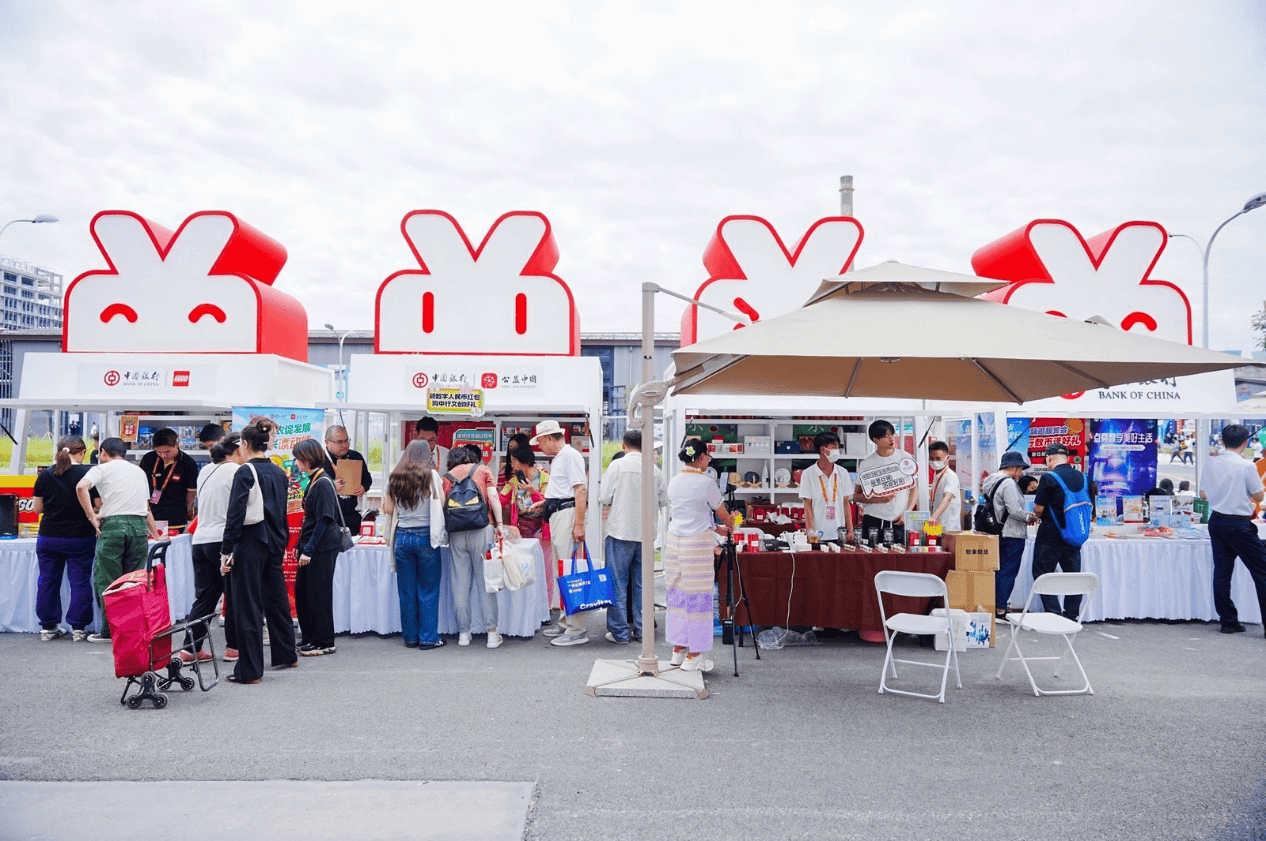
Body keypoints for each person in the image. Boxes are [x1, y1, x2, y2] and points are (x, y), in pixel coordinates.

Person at [219, 420, 298, 683]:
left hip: (251, 543)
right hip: (275, 542)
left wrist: (226, 549)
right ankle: (287, 653)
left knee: (248, 606)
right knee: (276, 600)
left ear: (244, 444)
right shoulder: (278, 472)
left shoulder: (245, 472)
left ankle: (250, 670)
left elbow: (235, 514)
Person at [76, 437, 158, 643]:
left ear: (103, 452)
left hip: (113, 526)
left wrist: (91, 517)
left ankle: (110, 630)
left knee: (108, 580)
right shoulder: (139, 472)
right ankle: (134, 628)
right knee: (134, 580)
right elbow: (146, 508)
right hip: (139, 528)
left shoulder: (102, 469)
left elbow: (81, 487)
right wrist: (156, 534)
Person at [664, 439, 730, 672]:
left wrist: (713, 527)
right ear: (701, 457)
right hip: (697, 547)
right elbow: (723, 514)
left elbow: (692, 513)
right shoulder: (706, 483)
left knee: (677, 595)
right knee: (698, 597)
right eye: (708, 456)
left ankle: (678, 649)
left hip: (674, 543)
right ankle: (694, 655)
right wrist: (731, 523)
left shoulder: (674, 481)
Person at [599, 429, 666, 645]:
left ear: (623, 446)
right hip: (646, 534)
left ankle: (620, 633)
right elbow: (664, 499)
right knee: (642, 584)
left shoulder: (617, 465)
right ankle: (642, 630)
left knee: (618, 583)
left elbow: (605, 496)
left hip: (620, 531)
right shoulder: (654, 469)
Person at [1197, 424, 1266, 636]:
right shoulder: (1246, 467)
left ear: (1222, 441)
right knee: (1262, 572)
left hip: (1216, 521)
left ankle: (1228, 621)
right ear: (1245, 444)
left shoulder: (1211, 462)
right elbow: (1259, 496)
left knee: (1222, 572)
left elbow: (1202, 494)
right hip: (1239, 524)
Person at [529, 420, 591, 646]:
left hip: (567, 516)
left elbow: (580, 489)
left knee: (570, 571)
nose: (539, 448)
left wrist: (579, 524)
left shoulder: (570, 456)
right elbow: (566, 491)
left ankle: (576, 629)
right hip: (559, 513)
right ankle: (566, 623)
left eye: (540, 442)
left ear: (548, 438)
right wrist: (546, 503)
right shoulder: (562, 458)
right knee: (562, 571)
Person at [185, 434, 243, 664]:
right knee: (234, 593)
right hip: (224, 544)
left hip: (201, 541)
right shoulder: (237, 471)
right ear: (238, 451)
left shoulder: (205, 471)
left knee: (205, 597)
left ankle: (190, 649)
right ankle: (233, 648)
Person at [33, 436, 97, 642]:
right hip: (81, 537)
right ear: (82, 452)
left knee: (47, 581)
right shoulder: (88, 474)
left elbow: (38, 508)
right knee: (79, 581)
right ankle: (78, 628)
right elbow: (97, 504)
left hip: (49, 536)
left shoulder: (46, 474)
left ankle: (48, 627)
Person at [441, 446, 506, 649]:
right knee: (485, 581)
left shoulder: (447, 476)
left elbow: (443, 505)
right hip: (482, 528)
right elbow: (493, 498)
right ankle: (492, 634)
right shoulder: (483, 470)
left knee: (460, 582)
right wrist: (500, 525)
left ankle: (463, 633)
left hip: (456, 532)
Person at [384, 439, 446, 650]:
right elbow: (442, 503)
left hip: (401, 537)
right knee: (428, 589)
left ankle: (410, 637)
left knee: (407, 591)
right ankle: (428, 638)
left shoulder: (394, 477)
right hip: (426, 537)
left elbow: (388, 508)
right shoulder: (432, 476)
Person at [293, 438, 342, 657]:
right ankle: (310, 637)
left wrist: (309, 549)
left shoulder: (323, 482)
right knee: (304, 593)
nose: (296, 463)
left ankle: (324, 641)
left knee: (319, 594)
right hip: (311, 544)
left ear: (307, 459)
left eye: (297, 459)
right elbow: (309, 519)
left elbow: (324, 519)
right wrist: (299, 544)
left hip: (321, 548)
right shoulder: (314, 480)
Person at [1030, 443, 1090, 619]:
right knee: (1073, 576)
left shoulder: (1049, 478)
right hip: (1074, 535)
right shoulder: (1084, 478)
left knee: (1042, 573)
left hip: (1050, 535)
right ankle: (1072, 615)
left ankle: (1054, 613)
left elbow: (1038, 509)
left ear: (1049, 458)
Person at [981, 451, 1037, 619]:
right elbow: (1014, 511)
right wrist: (1030, 516)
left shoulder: (990, 481)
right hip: (1011, 533)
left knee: (997, 572)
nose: (1020, 474)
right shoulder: (1009, 484)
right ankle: (1000, 609)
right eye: (1020, 470)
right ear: (1013, 468)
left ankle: (993, 605)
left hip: (995, 532)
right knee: (1007, 572)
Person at [854, 420, 916, 545]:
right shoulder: (867, 463)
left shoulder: (905, 457)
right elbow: (857, 496)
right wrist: (880, 499)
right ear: (875, 439)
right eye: (886, 436)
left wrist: (907, 512)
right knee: (873, 559)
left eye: (892, 435)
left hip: (899, 520)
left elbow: (914, 488)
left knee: (898, 559)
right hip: (874, 519)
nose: (891, 439)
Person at [138, 427, 199, 531]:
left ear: (176, 444)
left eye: (167, 452)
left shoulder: (188, 463)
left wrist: (187, 509)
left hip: (174, 516)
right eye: (159, 452)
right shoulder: (148, 459)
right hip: (150, 515)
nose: (163, 455)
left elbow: (191, 493)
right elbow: (140, 484)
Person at [800, 431, 853, 543]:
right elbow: (807, 506)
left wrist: (850, 530)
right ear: (823, 449)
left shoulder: (843, 472)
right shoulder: (808, 474)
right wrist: (810, 532)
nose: (837, 451)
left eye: (838, 447)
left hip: (839, 533)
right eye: (834, 447)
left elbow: (846, 503)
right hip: (818, 534)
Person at [324, 425, 372, 535]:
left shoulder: (355, 456)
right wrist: (330, 487)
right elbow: (308, 488)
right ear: (327, 442)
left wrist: (364, 487)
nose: (345, 445)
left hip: (351, 517)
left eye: (347, 440)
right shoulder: (319, 460)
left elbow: (367, 478)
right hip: (329, 518)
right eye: (339, 442)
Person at [499, 445, 548, 539]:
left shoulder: (546, 479)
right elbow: (501, 499)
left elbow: (547, 505)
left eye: (514, 461)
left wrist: (533, 492)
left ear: (525, 461)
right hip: (521, 526)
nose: (512, 465)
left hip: (542, 527)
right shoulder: (514, 481)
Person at [928, 440, 961, 531]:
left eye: (938, 459)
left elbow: (947, 498)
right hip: (937, 528)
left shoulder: (950, 476)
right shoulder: (937, 477)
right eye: (931, 458)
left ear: (947, 458)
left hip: (949, 529)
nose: (934, 462)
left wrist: (933, 517)